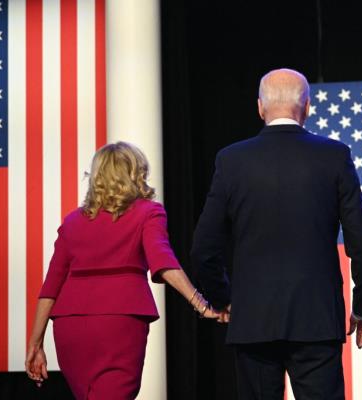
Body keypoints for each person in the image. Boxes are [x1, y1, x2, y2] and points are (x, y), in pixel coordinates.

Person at [191, 68, 362, 400]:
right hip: (317, 320)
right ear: (307, 107)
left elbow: (204, 248)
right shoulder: (334, 156)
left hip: (254, 322)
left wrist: (223, 300)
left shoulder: (232, 160)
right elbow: (361, 242)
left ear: (260, 108)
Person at [25, 142, 218, 400]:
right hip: (119, 323)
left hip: (70, 329)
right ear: (136, 173)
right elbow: (162, 261)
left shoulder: (72, 222)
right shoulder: (148, 213)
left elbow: (51, 286)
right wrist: (201, 304)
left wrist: (35, 344)